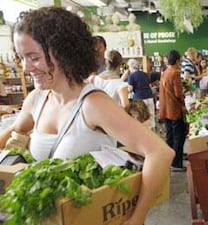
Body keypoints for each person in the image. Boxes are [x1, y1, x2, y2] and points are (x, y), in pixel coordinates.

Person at [0, 7, 174, 225]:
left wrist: (137, 217)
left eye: (33, 58)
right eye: (21, 58)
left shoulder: (93, 104)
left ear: (62, 53)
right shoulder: (37, 99)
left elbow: (160, 153)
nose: (26, 68)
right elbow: (15, 130)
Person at [159, 50, 186, 172]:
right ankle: (177, 163)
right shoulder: (175, 73)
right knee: (178, 136)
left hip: (165, 109)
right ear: (177, 61)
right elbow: (178, 93)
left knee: (169, 136)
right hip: (174, 109)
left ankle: (169, 160)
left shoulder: (164, 72)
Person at [127, 59, 155, 131]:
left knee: (141, 119)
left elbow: (130, 89)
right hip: (149, 97)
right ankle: (153, 133)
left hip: (140, 99)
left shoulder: (131, 76)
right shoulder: (145, 74)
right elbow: (149, 85)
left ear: (131, 66)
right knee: (151, 117)